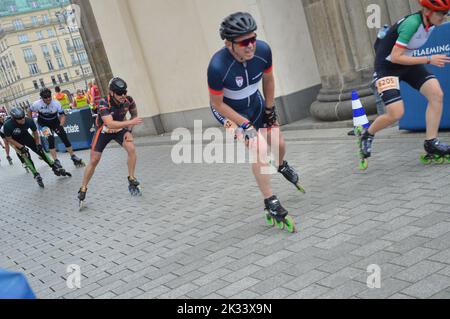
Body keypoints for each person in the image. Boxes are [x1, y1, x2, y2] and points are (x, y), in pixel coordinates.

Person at [207, 12, 304, 232]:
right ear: (229, 43)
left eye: (253, 38)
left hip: (256, 103)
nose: (250, 45)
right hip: (230, 112)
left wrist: (270, 108)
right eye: (244, 42)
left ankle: (281, 165)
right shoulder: (217, 66)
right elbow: (218, 103)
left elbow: (268, 79)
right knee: (259, 147)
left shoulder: (263, 50)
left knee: (278, 143)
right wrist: (245, 124)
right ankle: (270, 200)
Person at [361, 0, 450, 163]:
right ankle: (367, 133)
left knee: (436, 94)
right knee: (396, 113)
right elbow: (395, 57)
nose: (444, 17)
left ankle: (431, 143)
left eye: (446, 13)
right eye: (441, 13)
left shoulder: (431, 21)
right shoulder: (412, 24)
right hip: (388, 67)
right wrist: (429, 59)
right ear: (427, 12)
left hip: (406, 62)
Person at [77, 77, 143, 208]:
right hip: (104, 131)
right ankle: (83, 187)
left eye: (124, 92)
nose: (123, 95)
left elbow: (134, 116)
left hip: (119, 130)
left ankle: (131, 178)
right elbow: (110, 123)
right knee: (95, 159)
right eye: (119, 93)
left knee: (131, 148)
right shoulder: (103, 103)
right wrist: (129, 123)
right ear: (112, 93)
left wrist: (129, 130)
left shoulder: (128, 100)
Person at [2, 107, 71, 188]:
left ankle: (54, 167)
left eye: (23, 117)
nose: (22, 119)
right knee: (25, 154)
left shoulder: (28, 120)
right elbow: (9, 139)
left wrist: (38, 144)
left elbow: (35, 132)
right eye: (19, 118)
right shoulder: (7, 125)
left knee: (40, 151)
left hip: (25, 136)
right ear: (14, 119)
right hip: (14, 140)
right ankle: (35, 174)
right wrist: (21, 147)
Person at [29, 88, 86, 168]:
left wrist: (61, 125)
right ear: (42, 98)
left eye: (49, 96)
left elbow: (62, 115)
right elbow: (29, 110)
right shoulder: (37, 104)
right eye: (45, 97)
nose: (48, 99)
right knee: (50, 138)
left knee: (64, 137)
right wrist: (31, 121)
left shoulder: (56, 103)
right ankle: (56, 160)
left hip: (55, 123)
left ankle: (73, 156)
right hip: (43, 124)